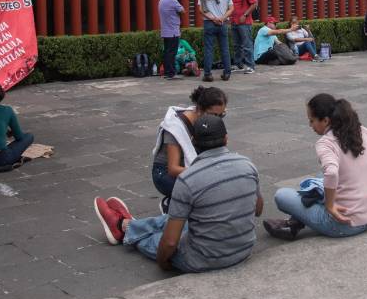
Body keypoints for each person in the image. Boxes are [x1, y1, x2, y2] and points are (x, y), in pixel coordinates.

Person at [95, 113, 262, 273]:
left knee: (157, 239)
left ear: (193, 142)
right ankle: (127, 224)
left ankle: (124, 231)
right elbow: (258, 210)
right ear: (226, 138)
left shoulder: (188, 179)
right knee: (180, 219)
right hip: (243, 250)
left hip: (203, 259)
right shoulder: (247, 165)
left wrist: (164, 264)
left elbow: (169, 243)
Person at [264, 93, 367, 242]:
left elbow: (331, 173)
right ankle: (295, 222)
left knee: (282, 195)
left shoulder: (326, 143)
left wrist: (330, 206)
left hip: (343, 224)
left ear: (325, 120)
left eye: (312, 120)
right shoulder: (361, 131)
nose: (310, 125)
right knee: (319, 177)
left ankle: (297, 221)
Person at [150, 86, 228, 202]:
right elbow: (173, 169)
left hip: (192, 167)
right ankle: (170, 205)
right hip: (165, 174)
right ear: (200, 109)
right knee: (205, 194)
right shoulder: (176, 127)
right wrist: (206, 173)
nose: (217, 119)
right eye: (213, 115)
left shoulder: (209, 122)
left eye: (221, 115)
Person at [197, 0, 233, 82]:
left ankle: (208, 74)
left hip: (209, 23)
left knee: (209, 49)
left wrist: (213, 19)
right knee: (225, 49)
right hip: (222, 23)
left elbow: (200, 10)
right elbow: (231, 9)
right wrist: (221, 18)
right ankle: (227, 73)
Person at [226, 0, 259, 74]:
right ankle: (238, 64)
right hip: (234, 22)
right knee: (236, 45)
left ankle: (250, 66)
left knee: (247, 44)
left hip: (245, 23)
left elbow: (254, 3)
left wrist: (245, 15)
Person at [158, 0, 185, 81]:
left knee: (167, 52)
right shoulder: (172, 0)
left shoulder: (161, 0)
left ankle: (167, 72)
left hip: (165, 30)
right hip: (173, 31)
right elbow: (183, 10)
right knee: (172, 53)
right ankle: (171, 73)